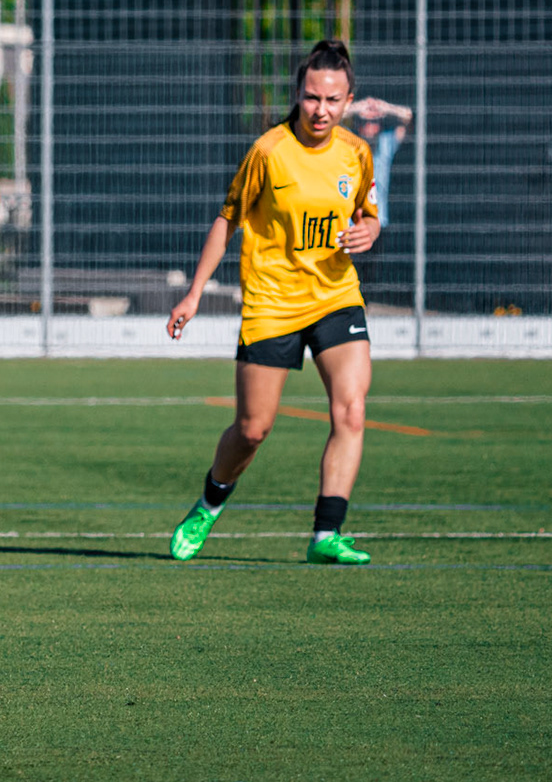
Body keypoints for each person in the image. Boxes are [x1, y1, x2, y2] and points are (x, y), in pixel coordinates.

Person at [165, 39, 381, 566]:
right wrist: (194, 294)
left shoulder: (356, 152)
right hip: (272, 303)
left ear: (349, 100)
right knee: (252, 429)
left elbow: (367, 211)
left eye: (332, 100)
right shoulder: (269, 151)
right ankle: (209, 503)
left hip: (335, 296)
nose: (321, 110)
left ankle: (326, 533)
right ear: (298, 94)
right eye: (312, 97)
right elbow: (227, 220)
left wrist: (370, 230)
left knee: (351, 410)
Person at [346, 96, 411, 228]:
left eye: (374, 122)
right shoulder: (348, 141)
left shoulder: (386, 142)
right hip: (350, 223)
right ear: (357, 124)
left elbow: (408, 117)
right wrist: (358, 108)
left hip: (378, 221)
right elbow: (331, 120)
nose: (369, 127)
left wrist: (385, 108)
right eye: (364, 122)